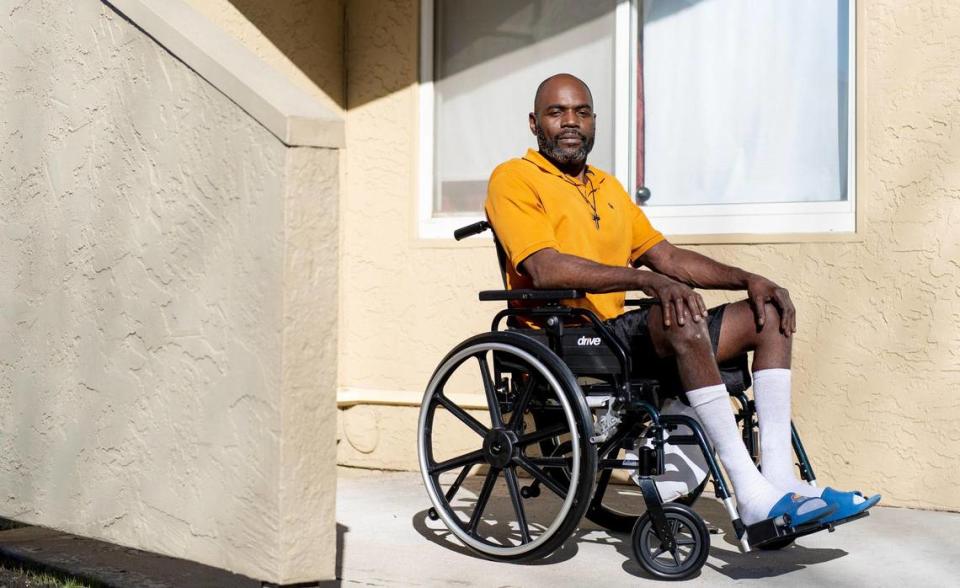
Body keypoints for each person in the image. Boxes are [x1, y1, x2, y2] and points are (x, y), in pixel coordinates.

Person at [484, 73, 879, 528]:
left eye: (582, 112)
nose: (571, 122)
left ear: (594, 121)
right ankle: (750, 497)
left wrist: (747, 279)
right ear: (535, 123)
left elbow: (666, 256)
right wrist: (648, 282)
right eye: (557, 112)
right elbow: (545, 267)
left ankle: (780, 480)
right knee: (676, 315)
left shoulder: (607, 188)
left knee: (767, 315)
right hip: (563, 336)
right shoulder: (514, 178)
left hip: (614, 334)